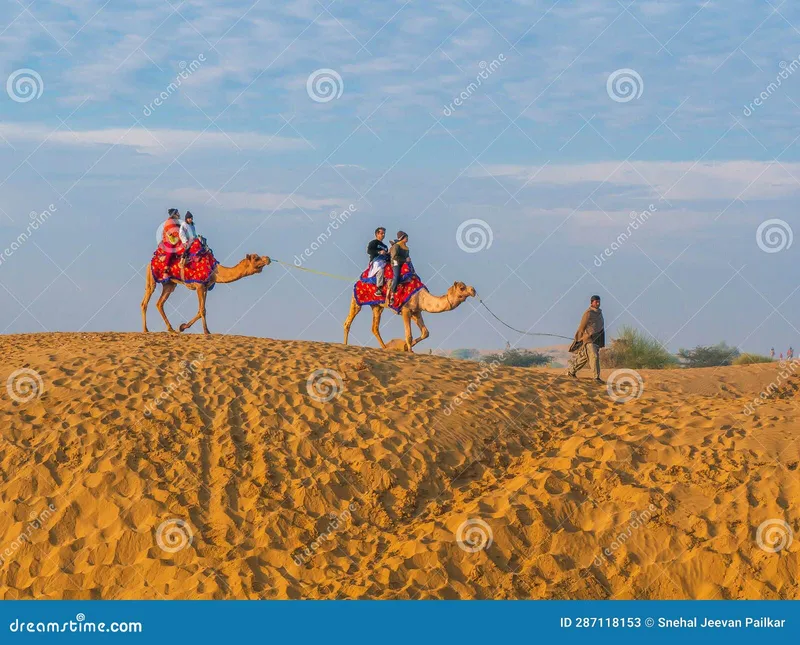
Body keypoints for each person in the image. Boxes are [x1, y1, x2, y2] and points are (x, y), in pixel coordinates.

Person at [566, 295, 605, 381]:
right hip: (589, 339)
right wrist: (579, 338)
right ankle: (596, 377)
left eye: (599, 301)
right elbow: (581, 327)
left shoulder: (599, 313)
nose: (598, 303)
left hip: (597, 339)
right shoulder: (588, 313)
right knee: (594, 356)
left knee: (584, 357)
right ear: (591, 302)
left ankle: (571, 372)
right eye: (596, 302)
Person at [387, 231, 410, 306]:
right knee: (396, 277)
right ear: (402, 238)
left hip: (404, 264)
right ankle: (392, 294)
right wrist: (405, 260)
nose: (407, 238)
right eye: (406, 237)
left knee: (412, 276)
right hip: (396, 263)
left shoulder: (406, 248)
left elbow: (407, 256)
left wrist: (407, 259)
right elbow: (394, 256)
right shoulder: (396, 246)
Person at [160, 208, 182, 280]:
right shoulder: (169, 222)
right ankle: (165, 271)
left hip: (177, 240)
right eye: (177, 213)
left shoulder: (177, 222)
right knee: (170, 251)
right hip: (168, 240)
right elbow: (174, 232)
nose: (179, 214)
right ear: (174, 214)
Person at [366, 227, 389, 297]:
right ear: (377, 234)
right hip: (376, 261)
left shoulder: (385, 246)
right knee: (380, 269)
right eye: (381, 233)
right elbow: (369, 251)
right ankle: (379, 288)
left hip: (385, 261)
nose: (383, 235)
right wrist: (379, 252)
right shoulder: (373, 242)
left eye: (384, 233)